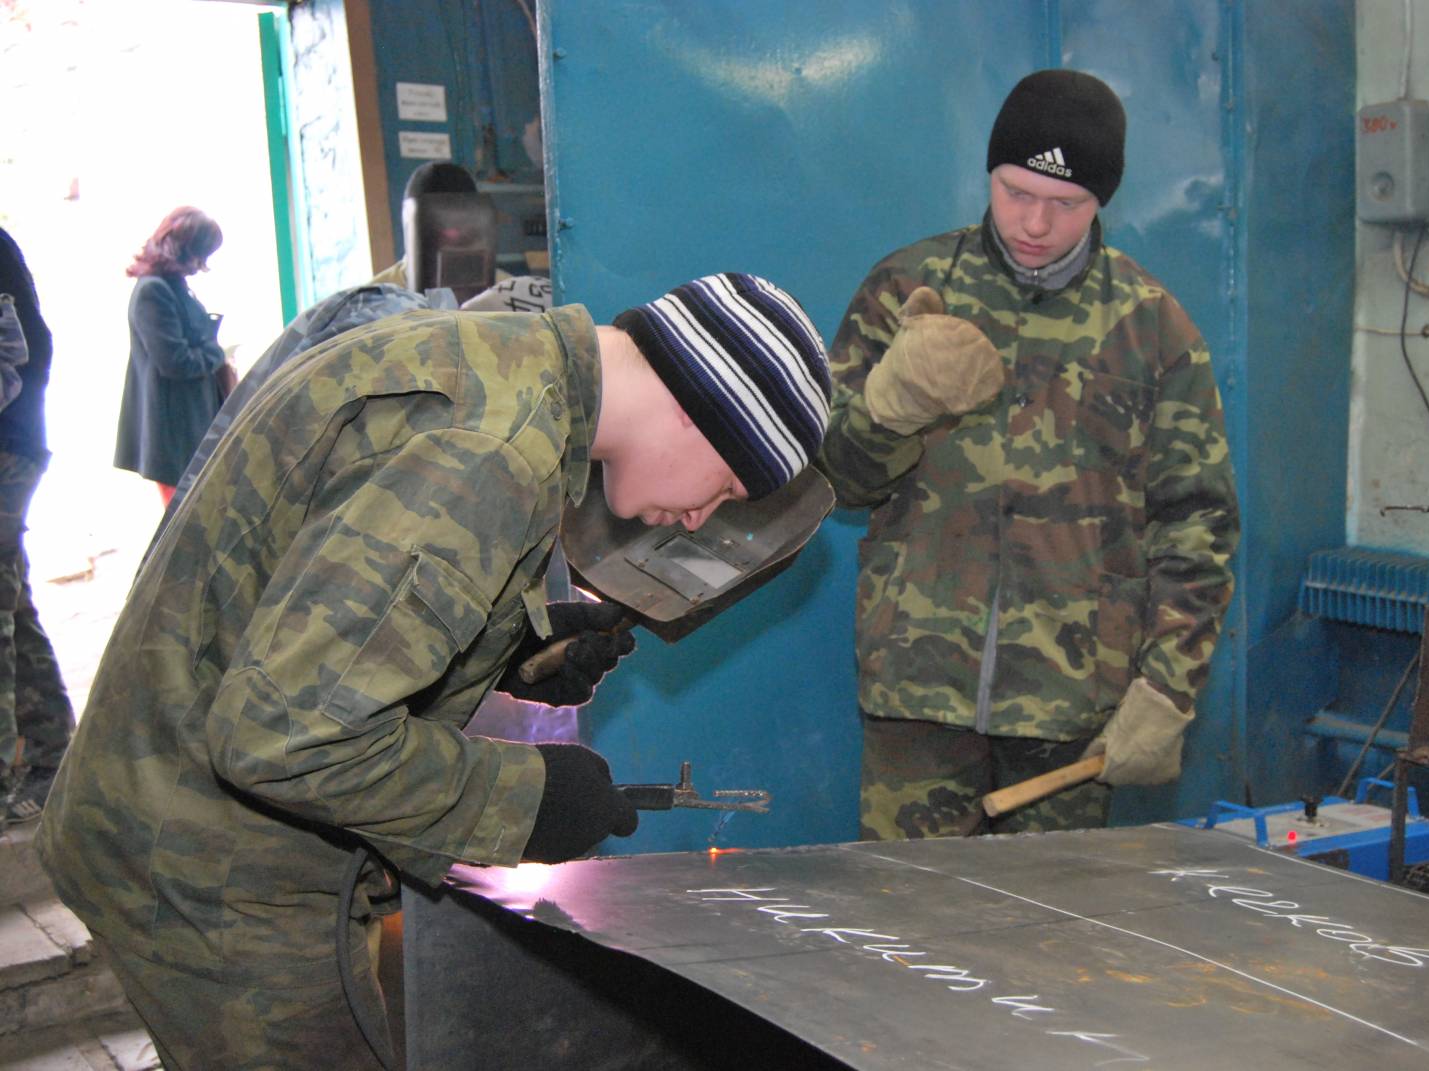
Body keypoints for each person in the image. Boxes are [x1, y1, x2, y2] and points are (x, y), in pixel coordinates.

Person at [38, 271, 831, 1068]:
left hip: (169, 811)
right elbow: (288, 738)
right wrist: (529, 799)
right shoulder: (492, 453)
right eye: (726, 486)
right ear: (700, 409)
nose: (698, 517)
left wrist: (512, 648)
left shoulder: (498, 368)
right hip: (217, 868)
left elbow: (322, 597)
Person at [817, 69, 1239, 840]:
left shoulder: (1153, 329)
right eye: (1017, 192)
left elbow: (1197, 525)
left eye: (1066, 203)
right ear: (990, 174)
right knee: (903, 906)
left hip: (1071, 703)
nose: (1036, 222)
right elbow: (836, 481)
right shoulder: (910, 288)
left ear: (1102, 201)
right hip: (919, 688)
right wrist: (886, 411)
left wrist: (1169, 685)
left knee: (1055, 913)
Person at [0, 227, 75, 825]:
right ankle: (51, 760)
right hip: (14, 444)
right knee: (13, 607)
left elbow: (18, 354)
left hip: (8, 449)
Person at [113, 206, 231, 506]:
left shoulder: (174, 287)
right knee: (189, 517)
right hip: (175, 435)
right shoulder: (153, 291)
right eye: (200, 255)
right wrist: (216, 353)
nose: (202, 265)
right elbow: (176, 362)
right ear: (182, 249)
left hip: (191, 427)